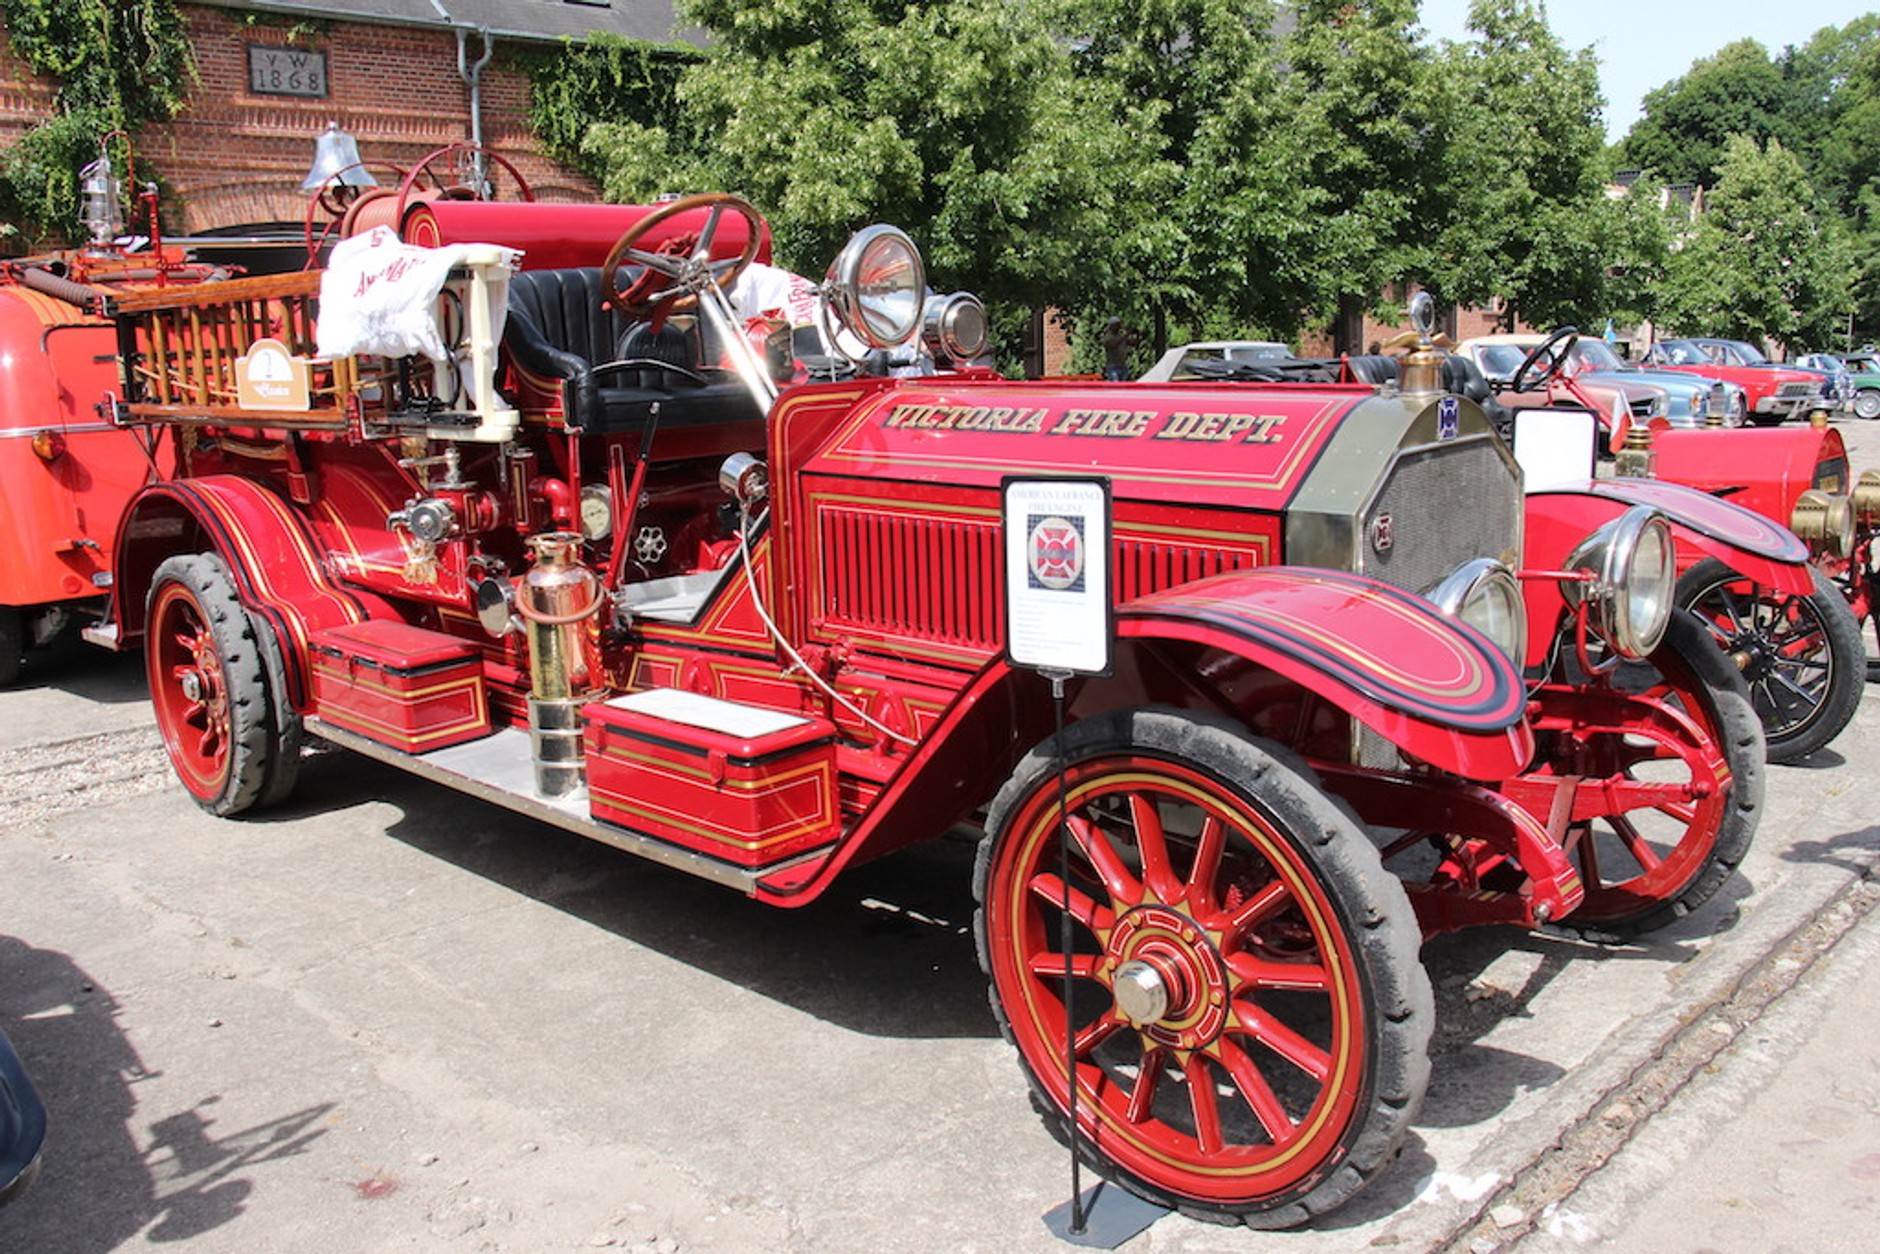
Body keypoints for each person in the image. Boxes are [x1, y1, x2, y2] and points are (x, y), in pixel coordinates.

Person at [1099, 317, 1136, 381]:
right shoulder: (1107, 336)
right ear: (1111, 325)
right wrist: (1126, 335)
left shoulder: (1120, 336)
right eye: (1117, 325)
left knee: (1124, 387)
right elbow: (1112, 345)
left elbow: (1132, 344)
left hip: (1123, 365)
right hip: (1113, 366)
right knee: (1115, 386)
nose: (1119, 327)